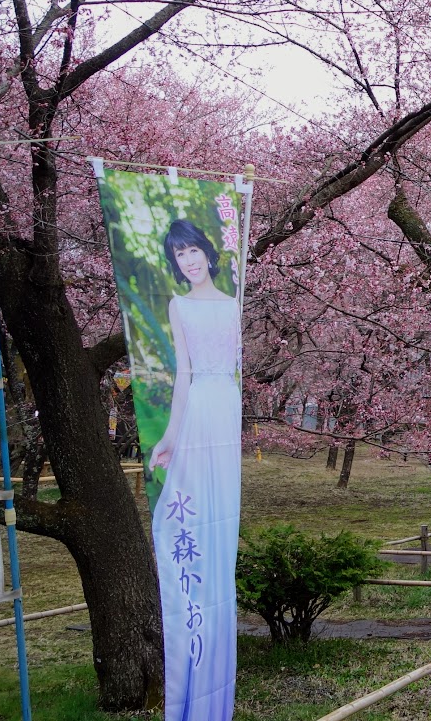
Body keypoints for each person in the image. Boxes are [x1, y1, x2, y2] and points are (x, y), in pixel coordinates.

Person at [149, 219, 242, 721]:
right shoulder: (178, 305)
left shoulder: (233, 304)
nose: (188, 261)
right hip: (202, 404)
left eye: (192, 250)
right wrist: (169, 436)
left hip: (227, 405)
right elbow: (183, 374)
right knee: (191, 511)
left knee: (223, 515)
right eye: (178, 255)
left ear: (206, 251)